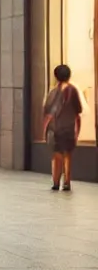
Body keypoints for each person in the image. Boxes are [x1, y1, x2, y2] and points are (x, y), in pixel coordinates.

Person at [43, 64, 83, 192]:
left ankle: (55, 182)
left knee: (56, 156)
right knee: (67, 156)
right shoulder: (73, 91)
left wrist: (44, 129)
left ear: (56, 76)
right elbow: (78, 113)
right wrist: (77, 131)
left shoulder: (53, 92)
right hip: (68, 128)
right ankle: (66, 182)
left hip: (54, 128)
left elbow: (47, 112)